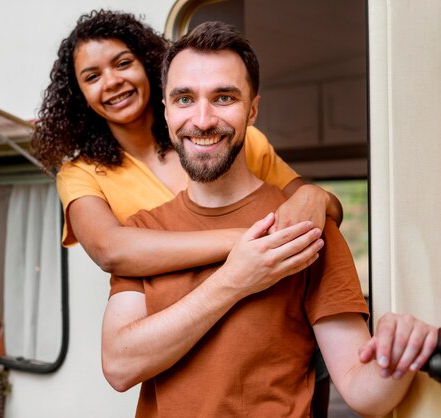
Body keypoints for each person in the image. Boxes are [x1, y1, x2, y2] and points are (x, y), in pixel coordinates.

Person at [101, 21, 439, 417]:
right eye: (185, 99)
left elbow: (363, 393)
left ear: (253, 109)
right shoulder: (144, 231)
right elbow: (119, 367)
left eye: (224, 98)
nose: (204, 119)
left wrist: (398, 356)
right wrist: (234, 281)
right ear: (167, 110)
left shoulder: (308, 230)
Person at [31, 10, 336, 415]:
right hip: (178, 349)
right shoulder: (81, 173)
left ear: (148, 66)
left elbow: (318, 205)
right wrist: (245, 250)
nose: (112, 81)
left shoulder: (215, 139)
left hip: (272, 344)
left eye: (123, 63)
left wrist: (315, 195)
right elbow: (111, 249)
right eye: (92, 76)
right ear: (79, 95)